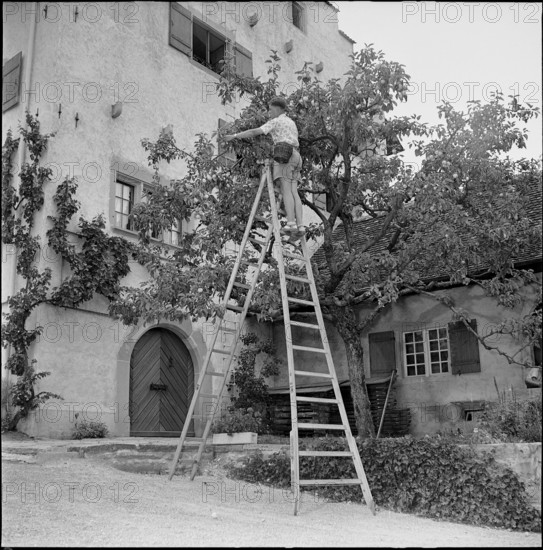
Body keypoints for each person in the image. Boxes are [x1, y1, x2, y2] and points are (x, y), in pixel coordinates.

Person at [222, 97, 304, 236]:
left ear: (279, 109)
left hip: (285, 156)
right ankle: (301, 225)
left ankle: (291, 224)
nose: (269, 113)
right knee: (294, 191)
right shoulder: (291, 122)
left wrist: (235, 136)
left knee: (286, 190)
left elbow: (254, 132)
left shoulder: (276, 121)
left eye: (271, 109)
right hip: (297, 156)